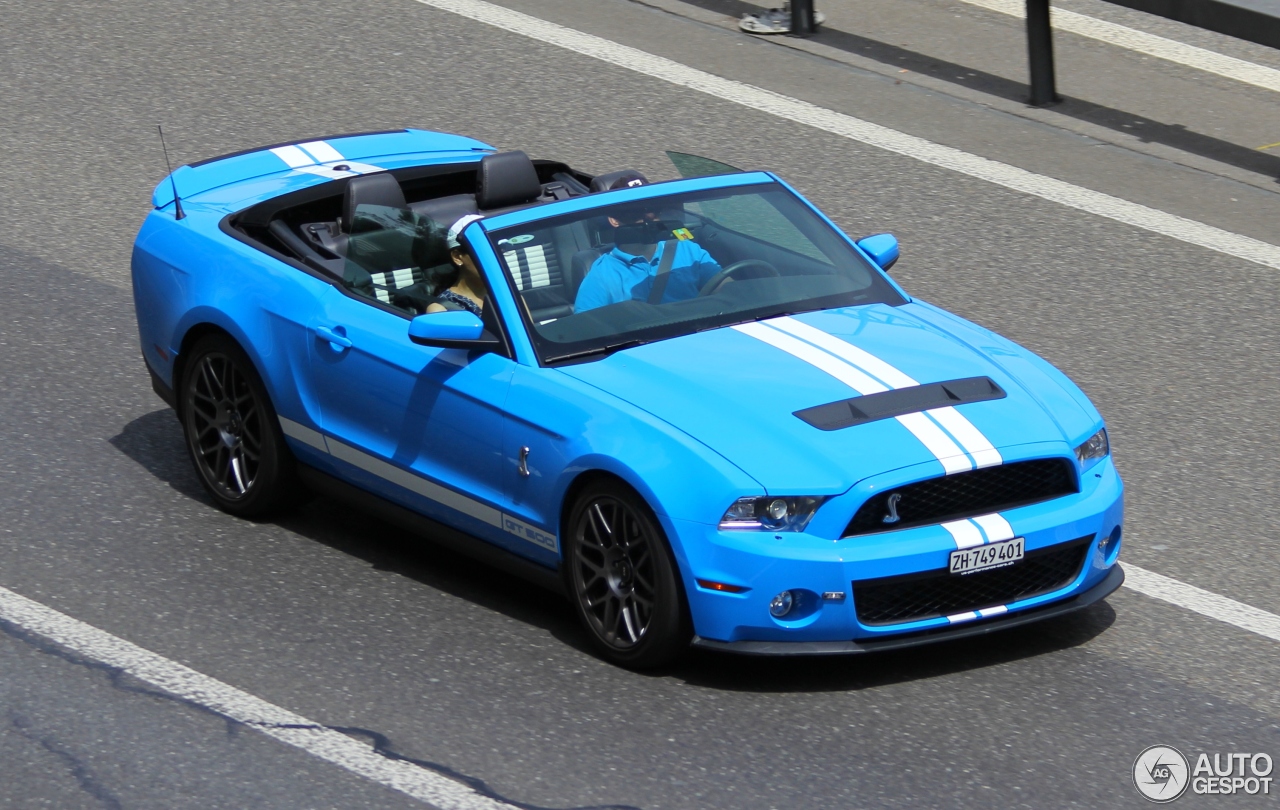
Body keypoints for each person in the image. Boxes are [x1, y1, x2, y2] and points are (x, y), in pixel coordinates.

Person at [574, 205, 722, 312]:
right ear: (614, 220)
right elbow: (585, 328)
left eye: (653, 209)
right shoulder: (602, 274)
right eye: (635, 212)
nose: (649, 218)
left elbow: (727, 290)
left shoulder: (687, 249)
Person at [427, 214, 486, 317]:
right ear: (457, 257)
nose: (492, 256)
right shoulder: (442, 310)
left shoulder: (507, 295)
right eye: (483, 251)